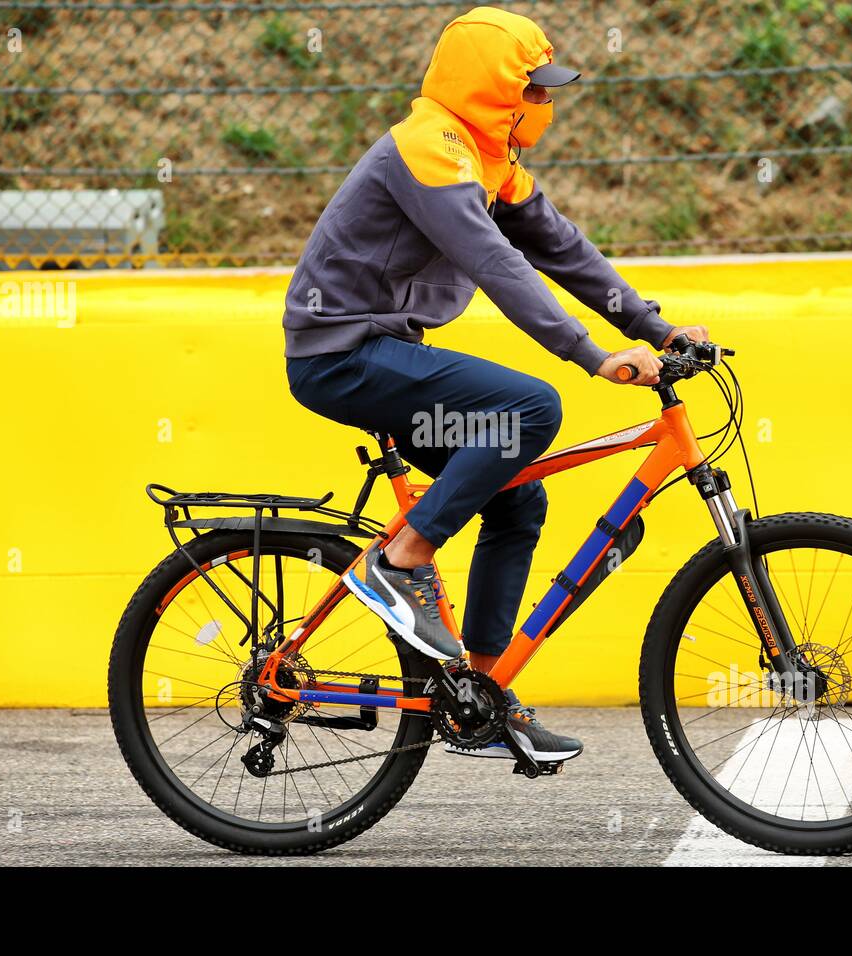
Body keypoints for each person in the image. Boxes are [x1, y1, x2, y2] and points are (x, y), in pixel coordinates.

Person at [283, 6, 706, 762]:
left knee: (516, 495)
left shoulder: (489, 160)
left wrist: (655, 330)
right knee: (530, 406)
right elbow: (495, 262)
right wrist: (591, 355)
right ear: (491, 89)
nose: (545, 104)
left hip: (385, 350)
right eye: (533, 91)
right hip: (341, 355)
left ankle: (479, 699)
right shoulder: (431, 149)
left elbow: (560, 247)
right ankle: (400, 558)